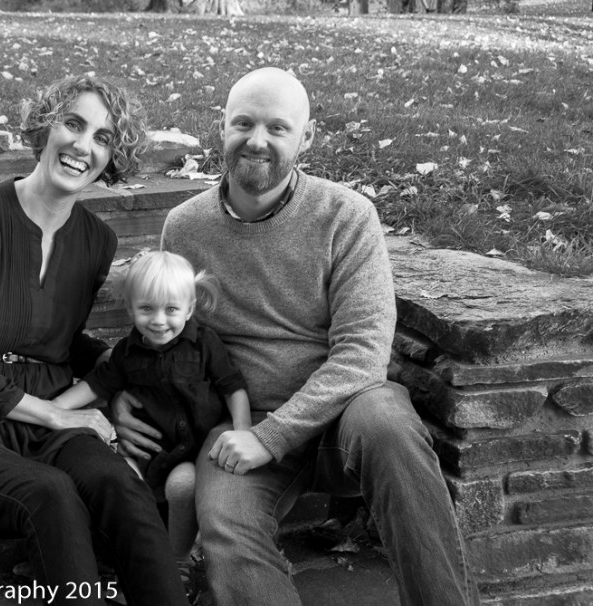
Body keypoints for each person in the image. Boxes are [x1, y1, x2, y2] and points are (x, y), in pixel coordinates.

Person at [112, 67, 480, 606]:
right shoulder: (185, 226)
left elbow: (363, 354)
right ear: (222, 127)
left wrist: (273, 436)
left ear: (305, 138)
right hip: (241, 421)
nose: (256, 140)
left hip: (345, 414)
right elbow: (167, 335)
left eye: (277, 128)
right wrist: (127, 393)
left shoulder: (347, 216)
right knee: (224, 521)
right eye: (243, 123)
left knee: (389, 424)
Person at [0, 75, 188, 606]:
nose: (83, 146)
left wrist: (118, 380)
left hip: (44, 414)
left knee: (120, 485)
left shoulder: (97, 240)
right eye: (73, 124)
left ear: (112, 157)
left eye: (103, 138)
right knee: (50, 494)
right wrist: (57, 415)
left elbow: (59, 339)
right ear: (45, 127)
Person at [45, 250, 251, 601]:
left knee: (183, 486)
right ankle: (123, 558)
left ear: (189, 308)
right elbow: (97, 384)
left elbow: (232, 386)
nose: (158, 321)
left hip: (188, 450)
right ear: (130, 308)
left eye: (171, 309)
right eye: (146, 309)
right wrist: (53, 409)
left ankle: (178, 559)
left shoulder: (204, 345)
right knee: (118, 481)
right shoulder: (127, 352)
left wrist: (242, 428)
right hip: (142, 449)